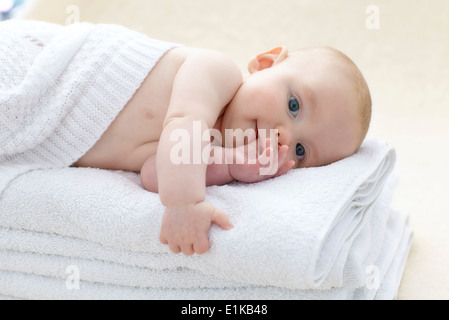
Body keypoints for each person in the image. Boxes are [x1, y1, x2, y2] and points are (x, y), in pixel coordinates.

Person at [74, 45, 371, 256]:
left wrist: (231, 165)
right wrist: (184, 204)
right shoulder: (217, 72)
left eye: (301, 150)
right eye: (293, 105)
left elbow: (154, 174)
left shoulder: (210, 155)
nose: (284, 136)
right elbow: (183, 125)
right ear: (266, 63)